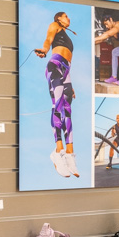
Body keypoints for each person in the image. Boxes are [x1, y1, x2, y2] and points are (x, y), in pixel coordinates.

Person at [33, 11, 79, 178]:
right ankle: (58, 150)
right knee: (58, 105)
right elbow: (48, 40)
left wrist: (70, 84)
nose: (69, 18)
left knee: (68, 110)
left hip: (66, 70)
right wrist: (44, 50)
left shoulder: (67, 34)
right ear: (59, 18)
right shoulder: (55, 26)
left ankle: (70, 152)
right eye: (66, 16)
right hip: (55, 65)